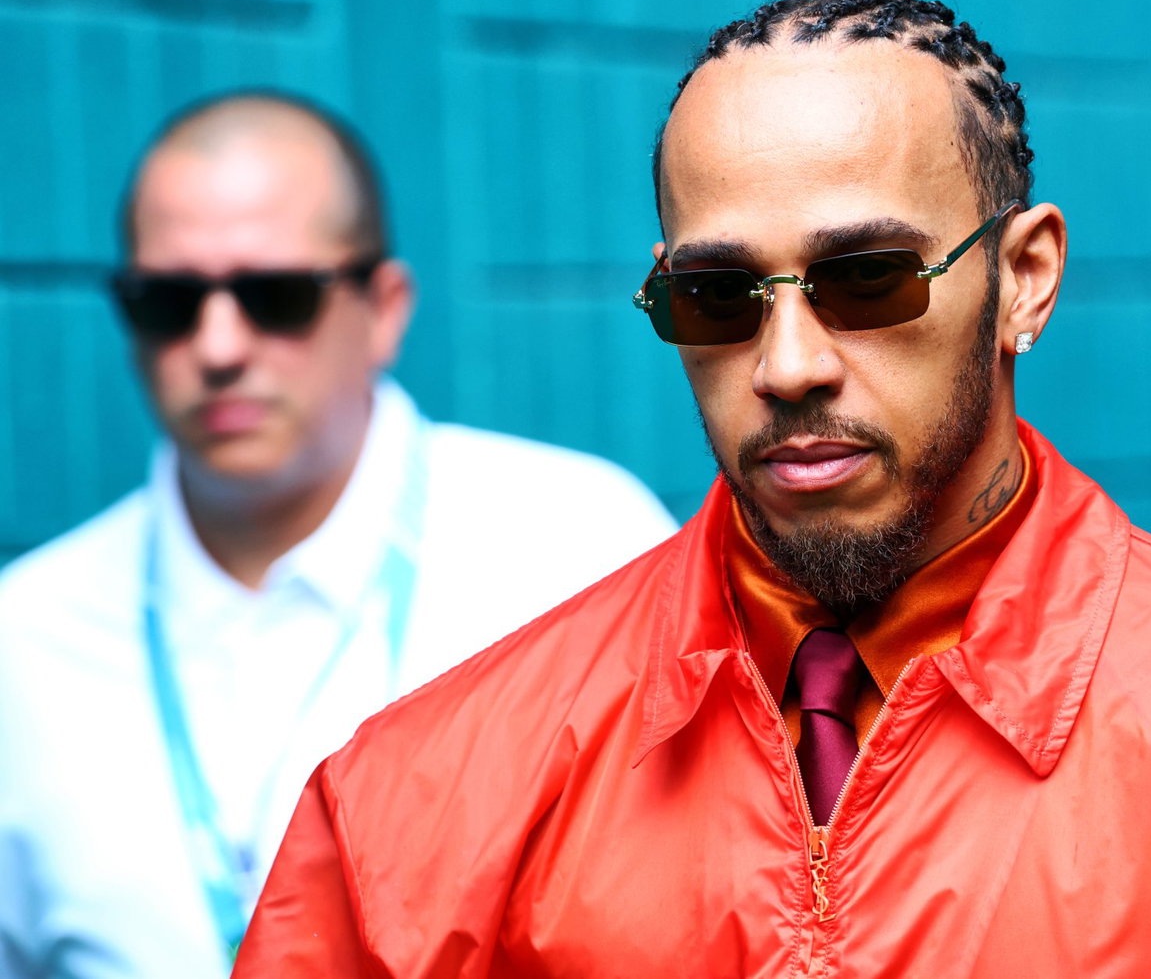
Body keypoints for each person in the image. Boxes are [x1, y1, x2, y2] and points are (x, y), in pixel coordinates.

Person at [235, 0, 1151, 977]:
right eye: (716, 294)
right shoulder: (412, 808)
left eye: (866, 279)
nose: (785, 363)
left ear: (1024, 278)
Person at [0, 92, 678, 978]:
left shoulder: (580, 548)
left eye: (275, 295)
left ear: (386, 308)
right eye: (167, 301)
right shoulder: (26, 641)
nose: (217, 346)